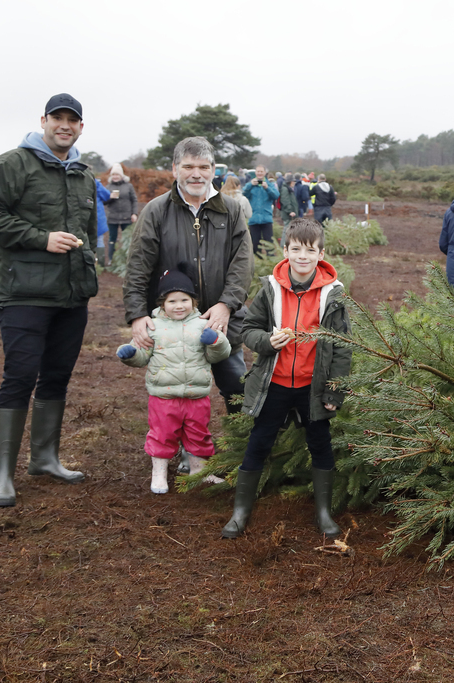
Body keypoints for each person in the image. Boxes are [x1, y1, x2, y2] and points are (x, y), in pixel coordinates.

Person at [0, 93, 98, 507]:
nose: (65, 125)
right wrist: (40, 239)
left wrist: (89, 264)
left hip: (71, 294)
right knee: (21, 375)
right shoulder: (13, 164)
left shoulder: (83, 174)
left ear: (81, 127)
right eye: (57, 118)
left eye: (72, 120)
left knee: (57, 374)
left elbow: (86, 229)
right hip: (24, 292)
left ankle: (44, 458)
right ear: (43, 121)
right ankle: (2, 475)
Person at [222, 217, 352, 538]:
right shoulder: (270, 289)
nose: (302, 256)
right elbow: (248, 329)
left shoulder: (333, 295)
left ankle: (323, 513)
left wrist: (334, 390)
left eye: (310, 250)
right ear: (285, 251)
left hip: (312, 387)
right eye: (296, 249)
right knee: (259, 442)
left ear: (321, 254)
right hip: (275, 384)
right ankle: (240, 512)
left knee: (320, 443)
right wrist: (267, 341)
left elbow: (342, 346)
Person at [123, 136, 253, 422]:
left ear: (213, 170)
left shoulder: (231, 210)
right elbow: (138, 268)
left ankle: (242, 442)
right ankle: (181, 444)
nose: (197, 174)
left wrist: (226, 305)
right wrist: (137, 314)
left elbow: (242, 264)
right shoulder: (156, 211)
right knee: (177, 393)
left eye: (204, 167)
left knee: (237, 388)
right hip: (173, 326)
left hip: (220, 322)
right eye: (188, 166)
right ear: (174, 169)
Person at [116, 265, 232, 494]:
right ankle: (159, 474)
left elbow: (217, 355)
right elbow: (142, 355)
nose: (179, 306)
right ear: (162, 304)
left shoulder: (202, 325)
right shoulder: (153, 327)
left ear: (193, 302)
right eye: (172, 301)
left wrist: (216, 342)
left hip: (196, 395)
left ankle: (199, 471)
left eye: (184, 300)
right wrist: (131, 355)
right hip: (164, 396)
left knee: (199, 434)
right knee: (162, 433)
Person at [104, 163, 139, 265]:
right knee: (112, 239)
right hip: (112, 217)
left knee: (127, 239)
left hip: (126, 217)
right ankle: (111, 259)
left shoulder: (128, 186)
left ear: (121, 175)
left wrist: (134, 213)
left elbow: (134, 200)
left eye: (117, 174)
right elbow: (104, 202)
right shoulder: (108, 187)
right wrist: (110, 197)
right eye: (113, 175)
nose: (115, 177)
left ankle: (127, 259)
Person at [242, 166, 280, 256]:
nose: (259, 173)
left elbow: (276, 195)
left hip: (266, 218)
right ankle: (258, 261)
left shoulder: (269, 184)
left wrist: (267, 188)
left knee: (269, 243)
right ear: (255, 173)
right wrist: (250, 185)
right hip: (253, 218)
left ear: (264, 173)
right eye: (258, 171)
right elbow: (243, 194)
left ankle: (270, 260)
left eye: (261, 171)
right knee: (255, 243)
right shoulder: (250, 185)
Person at [95, 178, 111, 265]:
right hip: (97, 216)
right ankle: (100, 264)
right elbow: (106, 195)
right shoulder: (95, 183)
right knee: (99, 240)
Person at [279, 173, 298, 239]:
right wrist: (290, 211)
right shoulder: (285, 189)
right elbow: (285, 201)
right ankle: (283, 244)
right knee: (287, 230)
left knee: (289, 230)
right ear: (291, 181)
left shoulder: (289, 189)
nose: (294, 183)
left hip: (290, 213)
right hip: (288, 214)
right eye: (294, 181)